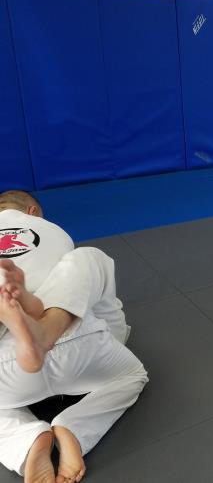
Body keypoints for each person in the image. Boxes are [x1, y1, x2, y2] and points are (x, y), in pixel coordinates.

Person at [0, 190, 147, 483]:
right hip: (81, 341)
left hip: (7, 371)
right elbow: (112, 317)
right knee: (88, 258)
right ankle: (73, 428)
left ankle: (26, 444)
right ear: (32, 212)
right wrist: (115, 335)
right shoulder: (52, 232)